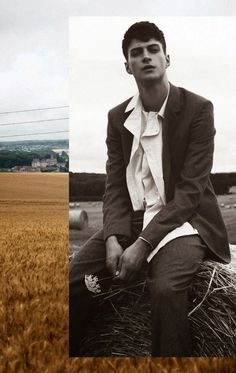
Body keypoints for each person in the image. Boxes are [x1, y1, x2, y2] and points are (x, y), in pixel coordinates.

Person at [69, 21, 230, 357]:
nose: (146, 57)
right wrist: (113, 235)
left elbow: (189, 192)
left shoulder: (199, 109)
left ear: (167, 58)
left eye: (153, 49)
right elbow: (114, 184)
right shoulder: (117, 118)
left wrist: (142, 244)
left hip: (185, 222)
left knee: (166, 291)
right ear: (127, 65)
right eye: (136, 52)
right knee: (73, 278)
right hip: (133, 218)